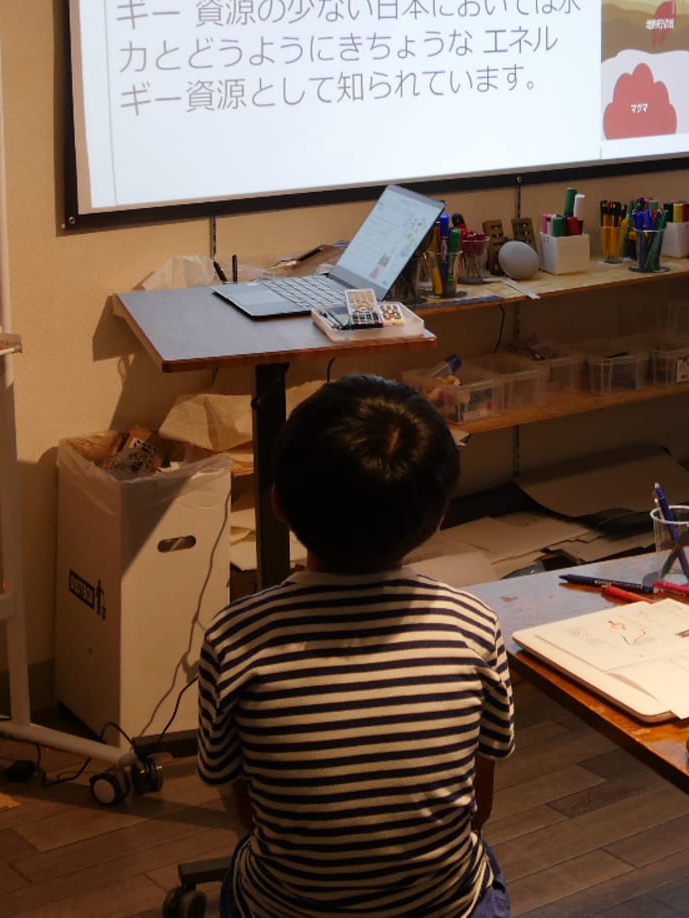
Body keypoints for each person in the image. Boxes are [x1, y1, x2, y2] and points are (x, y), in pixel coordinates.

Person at [197, 375, 516, 918]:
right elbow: (477, 808)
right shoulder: (473, 627)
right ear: (438, 518)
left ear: (277, 502)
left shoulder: (235, 639)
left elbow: (248, 812)